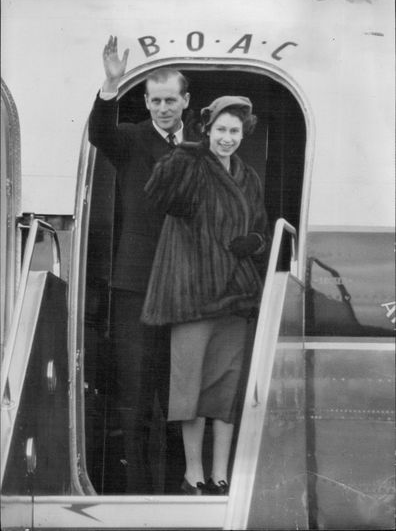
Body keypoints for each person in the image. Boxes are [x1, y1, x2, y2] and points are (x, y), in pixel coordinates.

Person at [141, 96, 270, 494]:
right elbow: (158, 195)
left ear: (241, 134)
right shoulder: (190, 165)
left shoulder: (249, 177)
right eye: (220, 130)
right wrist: (185, 151)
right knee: (190, 390)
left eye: (234, 131)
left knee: (225, 391)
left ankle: (221, 475)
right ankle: (193, 473)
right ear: (207, 131)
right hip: (193, 295)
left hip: (235, 296)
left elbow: (262, 227)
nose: (227, 138)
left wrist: (257, 242)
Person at [88, 35, 197, 493]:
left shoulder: (203, 150)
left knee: (178, 398)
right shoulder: (131, 138)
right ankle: (136, 496)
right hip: (134, 288)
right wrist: (111, 86)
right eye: (155, 100)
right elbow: (100, 133)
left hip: (184, 291)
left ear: (185, 102)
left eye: (170, 100)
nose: (163, 108)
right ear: (147, 103)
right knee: (134, 397)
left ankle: (175, 494)